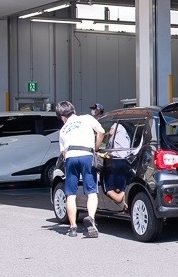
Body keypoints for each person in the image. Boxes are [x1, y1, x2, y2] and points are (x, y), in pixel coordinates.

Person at [56, 100, 105, 238]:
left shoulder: (63, 129)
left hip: (71, 157)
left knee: (70, 193)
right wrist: (95, 147)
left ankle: (72, 228)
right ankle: (91, 219)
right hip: (87, 155)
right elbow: (101, 131)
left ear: (62, 116)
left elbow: (63, 152)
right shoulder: (87, 118)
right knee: (91, 191)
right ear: (74, 111)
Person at [103, 120, 131, 210]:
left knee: (109, 188)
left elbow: (111, 132)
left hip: (115, 158)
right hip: (123, 159)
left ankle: (122, 197)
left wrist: (104, 134)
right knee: (118, 186)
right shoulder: (125, 133)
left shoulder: (117, 125)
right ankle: (124, 202)